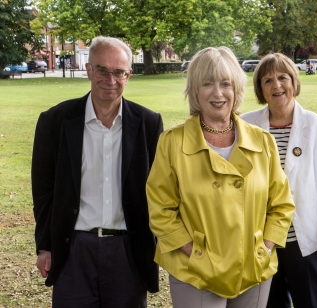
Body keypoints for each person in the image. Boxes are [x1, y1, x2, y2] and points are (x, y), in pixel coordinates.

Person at [146, 47, 295, 308]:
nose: (218, 93)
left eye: (226, 84)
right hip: (195, 271)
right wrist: (195, 254)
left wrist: (265, 247)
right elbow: (161, 209)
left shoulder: (262, 141)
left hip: (254, 268)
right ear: (195, 91)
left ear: (236, 89)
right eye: (207, 84)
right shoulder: (171, 143)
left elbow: (281, 204)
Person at [31, 36, 163, 307]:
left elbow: (160, 190)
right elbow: (43, 191)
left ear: (129, 75)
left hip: (128, 250)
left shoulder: (149, 123)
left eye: (118, 72)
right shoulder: (54, 121)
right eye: (102, 70)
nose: (110, 80)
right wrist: (45, 246)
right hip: (73, 249)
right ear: (88, 70)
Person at [241, 52, 317, 308]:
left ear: (294, 82)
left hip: (308, 243)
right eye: (267, 80)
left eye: (282, 77)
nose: (276, 85)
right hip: (261, 243)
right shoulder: (245, 125)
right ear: (260, 88)